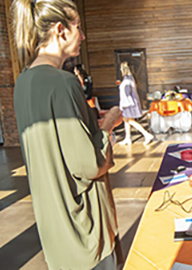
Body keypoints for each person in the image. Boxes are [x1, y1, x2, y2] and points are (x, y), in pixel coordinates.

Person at [12, 0, 123, 269]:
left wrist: (89, 124)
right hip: (84, 230)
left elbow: (52, 142)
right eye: (78, 27)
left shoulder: (23, 82)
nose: (83, 36)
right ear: (60, 30)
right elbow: (89, 164)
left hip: (54, 227)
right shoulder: (63, 82)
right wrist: (108, 123)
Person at [118, 61, 154, 145]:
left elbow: (127, 94)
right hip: (130, 103)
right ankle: (127, 138)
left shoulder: (127, 80)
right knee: (126, 120)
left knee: (130, 121)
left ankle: (146, 134)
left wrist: (123, 105)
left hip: (128, 104)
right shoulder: (130, 78)